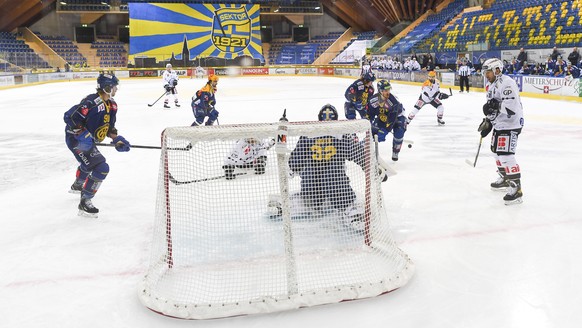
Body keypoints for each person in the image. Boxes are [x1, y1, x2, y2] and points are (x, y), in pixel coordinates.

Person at [275, 104, 367, 231]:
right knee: (312, 197)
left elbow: (356, 152)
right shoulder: (314, 135)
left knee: (333, 176)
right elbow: (298, 155)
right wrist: (291, 166)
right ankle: (299, 201)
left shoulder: (337, 136)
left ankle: (348, 208)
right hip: (314, 180)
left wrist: (368, 164)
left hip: (335, 181)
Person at [63, 72, 131, 217]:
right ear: (107, 87)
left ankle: (78, 184)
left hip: (87, 141)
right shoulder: (91, 102)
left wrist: (117, 139)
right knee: (101, 167)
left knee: (90, 163)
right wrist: (82, 133)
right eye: (114, 87)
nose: (116, 89)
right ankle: (84, 202)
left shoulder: (112, 105)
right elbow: (69, 117)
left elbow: (110, 128)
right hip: (76, 140)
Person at [477, 58, 524, 205]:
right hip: (500, 124)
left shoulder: (507, 83)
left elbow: (511, 108)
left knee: (506, 155)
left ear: (497, 70)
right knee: (496, 152)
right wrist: (489, 121)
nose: (486, 75)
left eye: (488, 72)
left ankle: (516, 190)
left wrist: (495, 106)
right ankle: (505, 178)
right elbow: (492, 106)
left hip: (510, 124)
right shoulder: (490, 84)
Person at [367, 79, 408, 161]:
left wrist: (385, 130)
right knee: (373, 133)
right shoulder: (373, 100)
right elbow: (370, 113)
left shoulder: (393, 101)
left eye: (389, 89)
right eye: (385, 90)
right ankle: (365, 150)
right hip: (383, 116)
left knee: (399, 132)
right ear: (380, 91)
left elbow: (393, 118)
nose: (388, 92)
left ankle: (395, 151)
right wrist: (369, 125)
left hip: (398, 117)